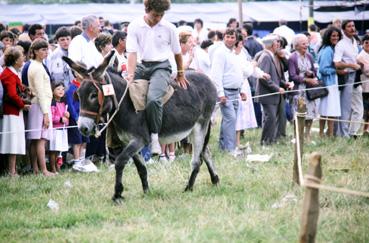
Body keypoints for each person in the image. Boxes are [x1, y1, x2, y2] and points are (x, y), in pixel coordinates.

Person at [126, 0, 188, 155]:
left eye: (161, 15)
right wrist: (130, 75)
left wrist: (181, 74)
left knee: (153, 99)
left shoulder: (169, 27)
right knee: (123, 92)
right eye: (155, 15)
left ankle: (154, 137)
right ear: (147, 9)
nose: (158, 18)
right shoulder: (134, 26)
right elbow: (132, 54)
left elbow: (177, 53)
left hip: (161, 67)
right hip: (142, 66)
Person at [210, 28, 244, 155]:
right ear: (224, 37)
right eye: (228, 37)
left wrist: (240, 90)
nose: (230, 39)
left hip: (235, 91)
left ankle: (223, 146)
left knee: (228, 120)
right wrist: (221, 94)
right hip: (226, 93)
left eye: (232, 37)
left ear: (236, 39)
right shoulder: (220, 53)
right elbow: (215, 75)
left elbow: (235, 74)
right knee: (231, 119)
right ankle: (230, 149)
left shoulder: (233, 53)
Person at [256, 35, 291, 145]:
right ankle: (265, 142)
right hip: (267, 94)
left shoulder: (270, 55)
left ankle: (270, 140)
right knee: (269, 118)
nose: (279, 45)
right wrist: (278, 88)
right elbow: (263, 78)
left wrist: (285, 84)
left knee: (271, 118)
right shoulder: (266, 56)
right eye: (277, 43)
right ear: (271, 45)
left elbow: (275, 77)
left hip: (271, 94)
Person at [0, 46, 30, 176]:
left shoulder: (13, 72)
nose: (24, 58)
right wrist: (22, 104)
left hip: (15, 111)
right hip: (11, 112)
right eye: (21, 56)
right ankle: (12, 171)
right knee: (12, 141)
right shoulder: (8, 74)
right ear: (16, 60)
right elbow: (12, 94)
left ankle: (13, 169)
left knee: (15, 140)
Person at [27, 38, 55, 176]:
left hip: (37, 104)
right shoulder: (37, 68)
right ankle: (43, 170)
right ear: (35, 51)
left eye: (46, 49)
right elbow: (40, 92)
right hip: (40, 105)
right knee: (41, 140)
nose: (46, 52)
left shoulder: (36, 65)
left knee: (36, 139)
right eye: (43, 49)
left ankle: (36, 169)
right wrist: (45, 114)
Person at [288, 34, 319, 142]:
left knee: (310, 113)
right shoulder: (292, 57)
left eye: (307, 43)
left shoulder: (310, 56)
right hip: (298, 90)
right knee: (299, 113)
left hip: (309, 90)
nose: (306, 45)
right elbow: (292, 76)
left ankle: (307, 135)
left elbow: (315, 72)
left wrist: (311, 74)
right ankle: (297, 136)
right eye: (303, 43)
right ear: (296, 46)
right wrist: (306, 79)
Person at [334, 20, 361, 138]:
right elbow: (337, 63)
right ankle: (343, 134)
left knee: (351, 107)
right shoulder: (341, 44)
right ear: (344, 29)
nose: (352, 28)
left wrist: (357, 63)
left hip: (355, 76)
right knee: (344, 107)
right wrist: (350, 65)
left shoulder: (354, 41)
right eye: (349, 26)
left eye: (353, 26)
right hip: (345, 76)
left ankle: (346, 132)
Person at [317, 27, 342, 137]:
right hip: (328, 83)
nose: (336, 38)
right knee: (329, 110)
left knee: (326, 109)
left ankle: (324, 133)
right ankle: (328, 134)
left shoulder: (328, 48)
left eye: (337, 36)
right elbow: (323, 69)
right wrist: (337, 71)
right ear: (328, 37)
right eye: (333, 36)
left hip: (330, 83)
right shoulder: (328, 50)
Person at [49, 82, 69, 173]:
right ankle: (53, 168)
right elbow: (52, 118)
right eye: (58, 89)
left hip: (62, 130)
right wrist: (61, 119)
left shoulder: (64, 103)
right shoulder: (53, 103)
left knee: (59, 150)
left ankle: (58, 168)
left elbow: (66, 121)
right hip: (55, 130)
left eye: (62, 89)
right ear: (53, 91)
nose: (61, 91)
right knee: (54, 150)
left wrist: (67, 117)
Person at [356, 34, 369, 134]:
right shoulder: (360, 56)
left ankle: (366, 129)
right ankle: (363, 129)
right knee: (365, 110)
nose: (368, 44)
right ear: (362, 44)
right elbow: (367, 71)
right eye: (366, 42)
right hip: (365, 87)